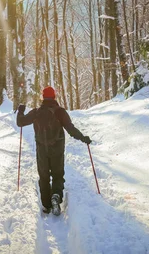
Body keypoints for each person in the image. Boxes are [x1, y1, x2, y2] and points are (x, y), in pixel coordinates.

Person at [17, 86, 92, 215]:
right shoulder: (60, 112)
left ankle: (46, 205)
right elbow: (70, 129)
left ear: (42, 97)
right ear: (54, 97)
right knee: (58, 175)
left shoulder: (36, 112)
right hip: (57, 149)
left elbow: (20, 123)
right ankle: (56, 196)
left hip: (42, 150)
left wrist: (21, 111)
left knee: (44, 176)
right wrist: (83, 138)